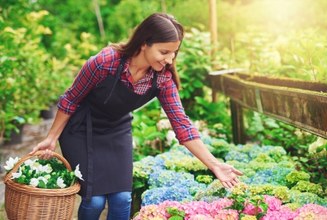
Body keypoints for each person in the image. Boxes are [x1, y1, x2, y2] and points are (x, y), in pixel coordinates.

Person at [30, 12, 243, 219]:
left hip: (116, 129)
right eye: (164, 51)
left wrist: (214, 164)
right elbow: (71, 99)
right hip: (81, 128)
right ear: (144, 43)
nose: (169, 59)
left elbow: (182, 126)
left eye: (174, 53)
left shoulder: (162, 80)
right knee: (94, 200)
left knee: (122, 199)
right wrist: (51, 137)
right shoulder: (105, 62)